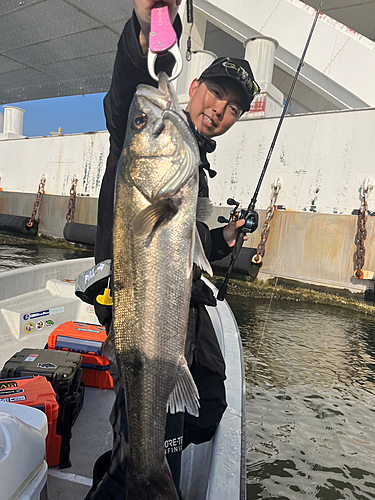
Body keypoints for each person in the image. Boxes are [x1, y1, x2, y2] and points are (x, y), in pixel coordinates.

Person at [86, 0, 259, 497]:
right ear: (196, 84)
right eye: (216, 95)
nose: (219, 111)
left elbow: (188, 244)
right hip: (137, 308)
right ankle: (131, 475)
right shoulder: (148, 137)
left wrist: (223, 241)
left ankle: (144, 468)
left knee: (206, 403)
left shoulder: (187, 163)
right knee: (142, 435)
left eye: (232, 109)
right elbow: (124, 103)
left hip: (173, 302)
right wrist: (146, 30)